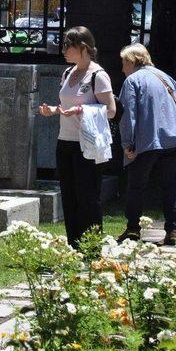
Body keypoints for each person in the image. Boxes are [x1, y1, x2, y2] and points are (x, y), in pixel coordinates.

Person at [39, 26, 116, 248]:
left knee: (88, 198)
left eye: (67, 46)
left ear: (82, 48)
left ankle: (91, 249)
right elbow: (67, 105)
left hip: (87, 145)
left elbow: (110, 110)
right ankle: (74, 247)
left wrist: (84, 111)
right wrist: (53, 110)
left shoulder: (98, 76)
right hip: (65, 141)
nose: (63, 50)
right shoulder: (67, 73)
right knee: (69, 197)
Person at [116, 44, 176, 246]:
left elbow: (128, 114)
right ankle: (172, 231)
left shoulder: (132, 80)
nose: (122, 68)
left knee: (136, 186)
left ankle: (133, 229)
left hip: (145, 141)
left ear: (132, 61)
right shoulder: (166, 78)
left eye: (123, 62)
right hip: (171, 139)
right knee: (170, 186)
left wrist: (127, 143)